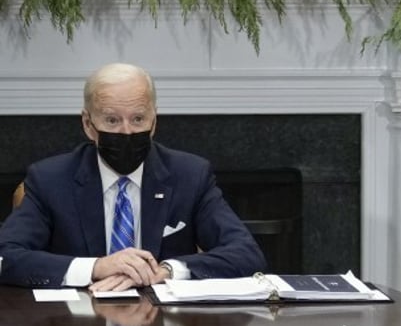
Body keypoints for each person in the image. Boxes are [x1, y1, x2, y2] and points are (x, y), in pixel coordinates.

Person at [0, 62, 266, 290]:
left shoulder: (190, 175)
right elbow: (5, 255)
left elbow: (246, 253)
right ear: (88, 125)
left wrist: (167, 270)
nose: (127, 132)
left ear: (154, 120)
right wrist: (97, 267)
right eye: (112, 120)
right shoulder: (50, 179)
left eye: (138, 119)